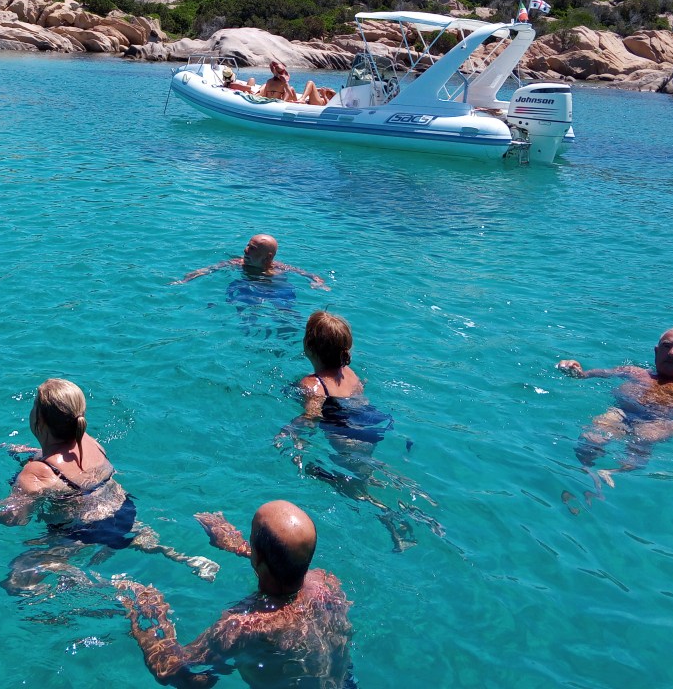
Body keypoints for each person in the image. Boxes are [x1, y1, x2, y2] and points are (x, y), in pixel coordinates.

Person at [0, 378, 217, 595]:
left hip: (85, 531)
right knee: (137, 538)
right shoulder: (90, 442)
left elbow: (14, 518)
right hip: (124, 512)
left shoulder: (37, 472)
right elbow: (64, 458)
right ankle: (186, 558)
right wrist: (33, 452)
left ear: (39, 420)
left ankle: (85, 584)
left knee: (17, 577)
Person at [118, 500, 353, 689]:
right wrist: (240, 548)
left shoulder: (244, 626)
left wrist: (150, 619)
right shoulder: (327, 584)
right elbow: (286, 561)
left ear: (258, 559)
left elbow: (169, 670)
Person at [279, 312, 435, 552]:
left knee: (350, 486)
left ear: (308, 346)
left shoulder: (312, 384)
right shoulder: (350, 374)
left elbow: (310, 416)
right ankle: (415, 505)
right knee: (369, 469)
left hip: (345, 442)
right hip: (369, 432)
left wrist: (290, 432)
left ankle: (389, 517)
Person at [556, 327, 673, 482]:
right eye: (667, 346)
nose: (672, 353)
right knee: (591, 436)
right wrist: (575, 370)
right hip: (623, 413)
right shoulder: (632, 372)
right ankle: (587, 473)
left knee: (644, 437)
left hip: (661, 421)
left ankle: (612, 474)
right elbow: (592, 374)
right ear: (656, 351)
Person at [175, 234, 326, 290]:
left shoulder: (279, 267)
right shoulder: (237, 263)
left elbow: (309, 274)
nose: (245, 251)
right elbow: (210, 269)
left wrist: (319, 283)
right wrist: (186, 279)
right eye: (247, 245)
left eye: (252, 249)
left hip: (275, 289)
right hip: (249, 288)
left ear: (267, 257)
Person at [259, 60, 335, 106]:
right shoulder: (282, 83)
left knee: (310, 82)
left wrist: (325, 95)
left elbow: (329, 105)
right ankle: (302, 99)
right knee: (305, 85)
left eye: (330, 94)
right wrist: (320, 90)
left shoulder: (269, 81)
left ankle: (302, 99)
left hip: (321, 104)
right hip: (313, 101)